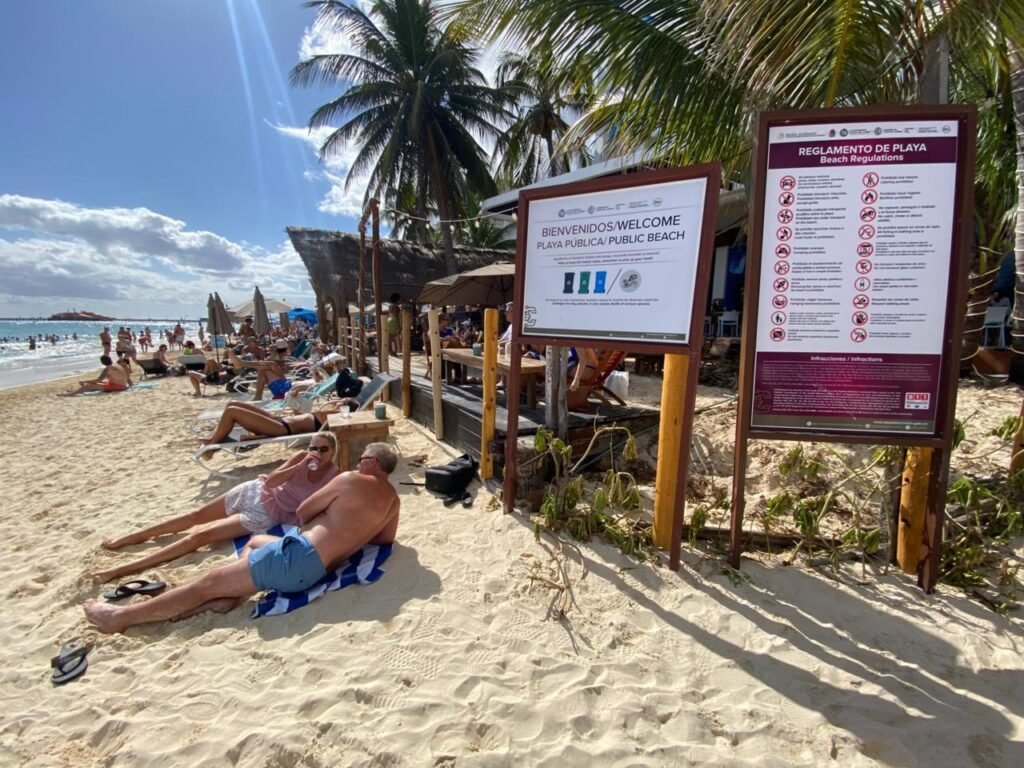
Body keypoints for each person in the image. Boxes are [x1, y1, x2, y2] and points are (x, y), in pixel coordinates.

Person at [83, 442, 400, 634]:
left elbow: (303, 512)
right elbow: (385, 541)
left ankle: (119, 617)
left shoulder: (350, 480)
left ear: (371, 462)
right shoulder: (393, 502)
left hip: (297, 558)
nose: (358, 463)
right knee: (254, 542)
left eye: (362, 460)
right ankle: (230, 597)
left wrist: (322, 518)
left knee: (206, 581)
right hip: (316, 570)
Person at [92, 435, 341, 583]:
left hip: (265, 514)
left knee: (202, 535)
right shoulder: (300, 458)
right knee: (195, 516)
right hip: (255, 491)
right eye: (313, 447)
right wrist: (299, 465)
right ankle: (126, 539)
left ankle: (122, 569)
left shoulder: (333, 477)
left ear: (333, 452)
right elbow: (273, 480)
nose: (316, 453)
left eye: (323, 449)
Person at [199, 400, 324, 448]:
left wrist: (340, 405)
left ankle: (212, 445)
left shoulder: (336, 418)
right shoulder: (333, 410)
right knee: (232, 404)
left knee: (232, 412)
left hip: (282, 428)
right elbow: (301, 414)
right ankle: (213, 438)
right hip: (279, 419)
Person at [59, 355, 129, 396]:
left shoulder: (108, 369)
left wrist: (84, 381)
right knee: (94, 384)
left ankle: (70, 394)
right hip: (122, 385)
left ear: (102, 362)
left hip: (119, 387)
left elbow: (98, 380)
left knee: (89, 385)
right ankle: (75, 391)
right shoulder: (116, 365)